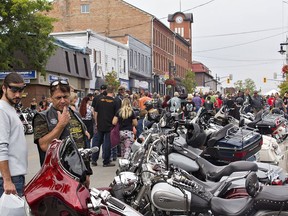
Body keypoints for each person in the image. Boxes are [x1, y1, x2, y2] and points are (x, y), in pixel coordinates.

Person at [33, 80, 92, 187]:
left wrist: (87, 172)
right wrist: (61, 125)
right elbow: (44, 146)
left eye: (65, 97)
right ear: (50, 98)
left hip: (79, 174)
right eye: (58, 97)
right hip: (57, 177)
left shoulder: (75, 114)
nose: (63, 101)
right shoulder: (42, 117)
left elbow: (81, 146)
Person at [0, 72, 28, 196]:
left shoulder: (9, 108)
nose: (17, 95)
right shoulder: (2, 111)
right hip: (9, 179)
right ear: (4, 88)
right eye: (14, 90)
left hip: (15, 176)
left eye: (20, 90)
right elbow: (1, 147)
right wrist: (7, 180)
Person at [92, 85, 117, 167]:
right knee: (107, 143)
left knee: (97, 142)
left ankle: (94, 160)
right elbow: (116, 115)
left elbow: (96, 113)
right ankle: (106, 161)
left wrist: (96, 123)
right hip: (109, 124)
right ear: (113, 92)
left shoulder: (99, 100)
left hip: (100, 124)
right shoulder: (114, 101)